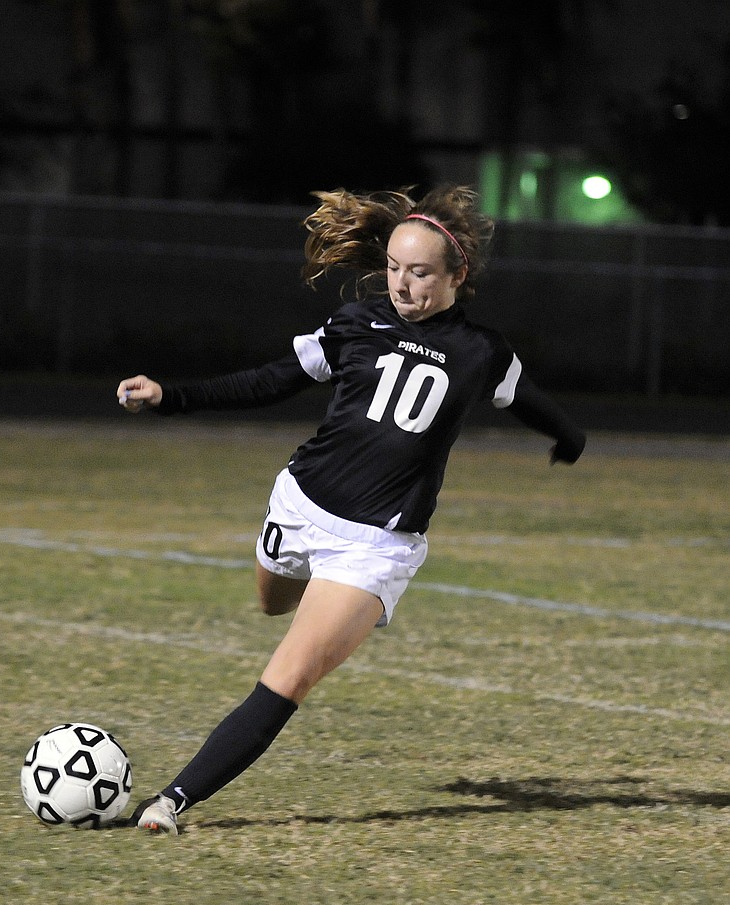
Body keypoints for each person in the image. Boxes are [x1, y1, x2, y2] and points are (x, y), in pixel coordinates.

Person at [116, 183, 586, 834]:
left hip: (376, 543)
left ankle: (170, 802)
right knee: (271, 602)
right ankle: (319, 598)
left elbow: (528, 398)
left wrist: (569, 436)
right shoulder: (354, 324)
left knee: (291, 671)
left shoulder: (481, 351)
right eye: (393, 268)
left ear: (458, 275)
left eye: (419, 272)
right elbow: (270, 381)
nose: (401, 283)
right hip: (302, 502)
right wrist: (172, 396)